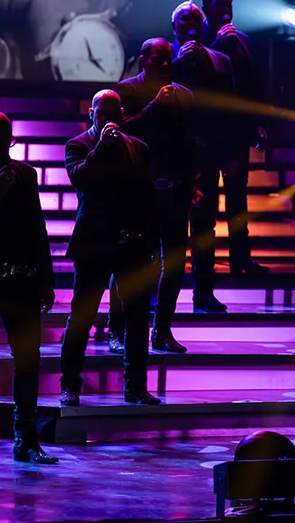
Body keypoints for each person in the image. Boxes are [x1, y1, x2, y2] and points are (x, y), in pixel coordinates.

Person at [59, 90, 160, 407]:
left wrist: (151, 243)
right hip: (94, 245)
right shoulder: (78, 145)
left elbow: (147, 199)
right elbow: (81, 179)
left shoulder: (139, 148)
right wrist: (102, 147)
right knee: (81, 317)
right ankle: (70, 386)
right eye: (102, 113)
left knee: (137, 318)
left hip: (131, 245)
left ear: (122, 114)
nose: (108, 119)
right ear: (91, 113)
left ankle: (135, 387)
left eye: (114, 113)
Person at [110, 38, 198, 354]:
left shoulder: (184, 94)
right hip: (141, 191)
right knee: (131, 262)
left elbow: (190, 141)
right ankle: (116, 328)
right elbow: (123, 133)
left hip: (175, 190)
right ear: (143, 60)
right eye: (159, 58)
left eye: (168, 58)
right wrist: (155, 105)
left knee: (173, 263)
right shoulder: (126, 90)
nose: (165, 64)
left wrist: (193, 181)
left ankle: (161, 330)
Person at [0, 112, 57, 463]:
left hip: (21, 282)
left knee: (28, 361)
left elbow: (37, 226)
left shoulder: (25, 174)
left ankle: (26, 439)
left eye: (2, 137)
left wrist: (46, 279)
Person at [170, 0, 235, 313]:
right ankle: (161, 294)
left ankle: (203, 293)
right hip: (171, 156)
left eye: (196, 20)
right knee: (169, 228)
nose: (192, 25)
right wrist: (176, 63)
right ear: (174, 27)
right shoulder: (162, 57)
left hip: (206, 153)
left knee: (205, 228)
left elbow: (228, 108)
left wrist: (228, 152)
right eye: (185, 20)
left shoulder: (220, 60)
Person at [200, 0, 268, 277]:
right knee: (206, 201)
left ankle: (242, 259)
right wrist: (217, 45)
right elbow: (196, 79)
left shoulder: (242, 41)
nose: (226, 8)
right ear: (206, 6)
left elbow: (250, 85)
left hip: (236, 132)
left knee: (237, 197)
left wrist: (257, 123)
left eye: (230, 2)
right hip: (206, 133)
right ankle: (204, 265)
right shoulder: (196, 38)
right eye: (220, 3)